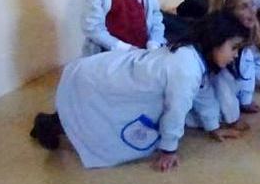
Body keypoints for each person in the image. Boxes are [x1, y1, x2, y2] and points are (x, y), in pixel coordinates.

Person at [29, 12, 248, 170]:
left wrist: (213, 126)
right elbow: (176, 110)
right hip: (105, 79)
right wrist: (169, 149)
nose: (235, 55)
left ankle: (52, 124)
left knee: (98, 118)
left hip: (120, 77)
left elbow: (203, 92)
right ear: (215, 42)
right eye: (234, 48)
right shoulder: (187, 67)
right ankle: (48, 125)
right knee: (95, 119)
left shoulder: (193, 58)